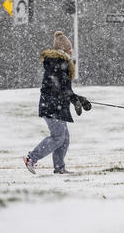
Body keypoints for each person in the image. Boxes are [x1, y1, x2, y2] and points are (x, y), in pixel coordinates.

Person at [24, 31, 91, 175]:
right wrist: (74, 100)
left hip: (56, 106)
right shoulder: (58, 63)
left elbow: (64, 88)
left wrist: (79, 100)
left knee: (64, 138)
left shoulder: (60, 63)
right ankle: (31, 158)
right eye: (69, 49)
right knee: (58, 137)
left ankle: (59, 168)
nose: (71, 52)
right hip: (51, 106)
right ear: (63, 50)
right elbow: (60, 88)